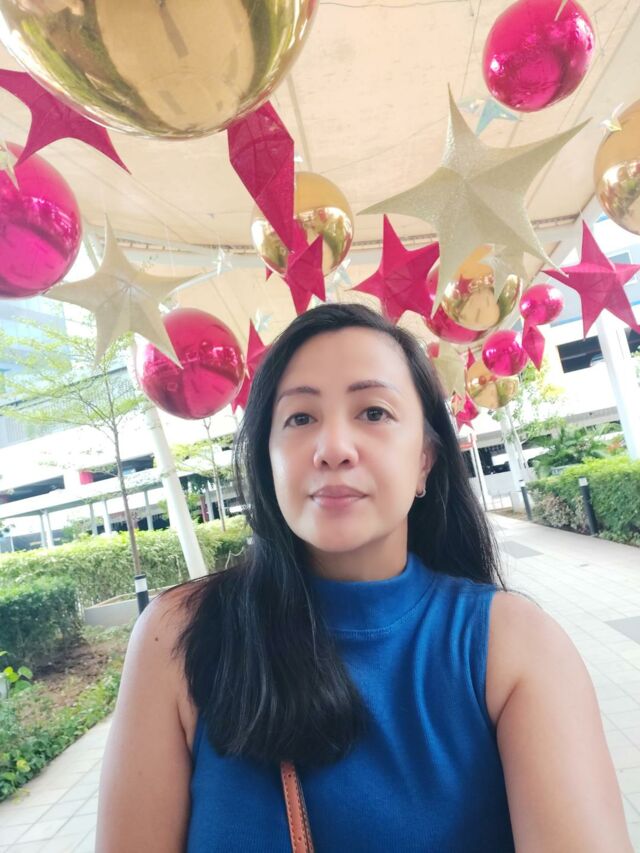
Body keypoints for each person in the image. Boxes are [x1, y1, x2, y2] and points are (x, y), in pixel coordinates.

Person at [96, 302, 632, 852]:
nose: (333, 449)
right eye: (300, 418)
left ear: (425, 458)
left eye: (374, 412)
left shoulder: (513, 647)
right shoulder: (177, 637)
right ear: (267, 456)